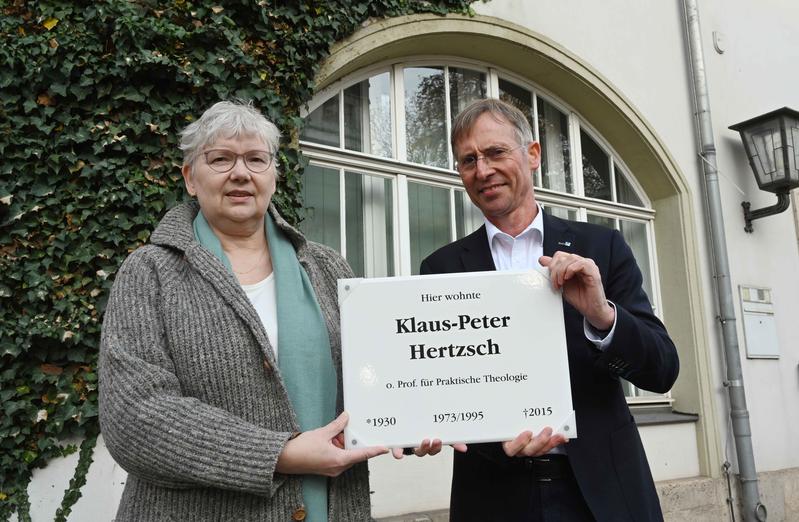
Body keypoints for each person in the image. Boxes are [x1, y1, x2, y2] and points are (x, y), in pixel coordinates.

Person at [99, 100, 388, 521]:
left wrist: (414, 421)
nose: (240, 173)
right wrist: (279, 454)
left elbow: (373, 383)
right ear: (190, 178)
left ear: (273, 174)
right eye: (220, 159)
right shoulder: (150, 272)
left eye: (256, 159)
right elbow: (135, 417)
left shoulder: (328, 269)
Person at [417, 99, 679, 521]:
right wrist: (490, 442)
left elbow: (662, 369)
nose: (482, 170)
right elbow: (439, 387)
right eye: (468, 160)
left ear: (533, 155)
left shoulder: (601, 248)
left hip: (603, 492)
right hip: (493, 496)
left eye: (496, 152)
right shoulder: (442, 269)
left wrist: (603, 316)